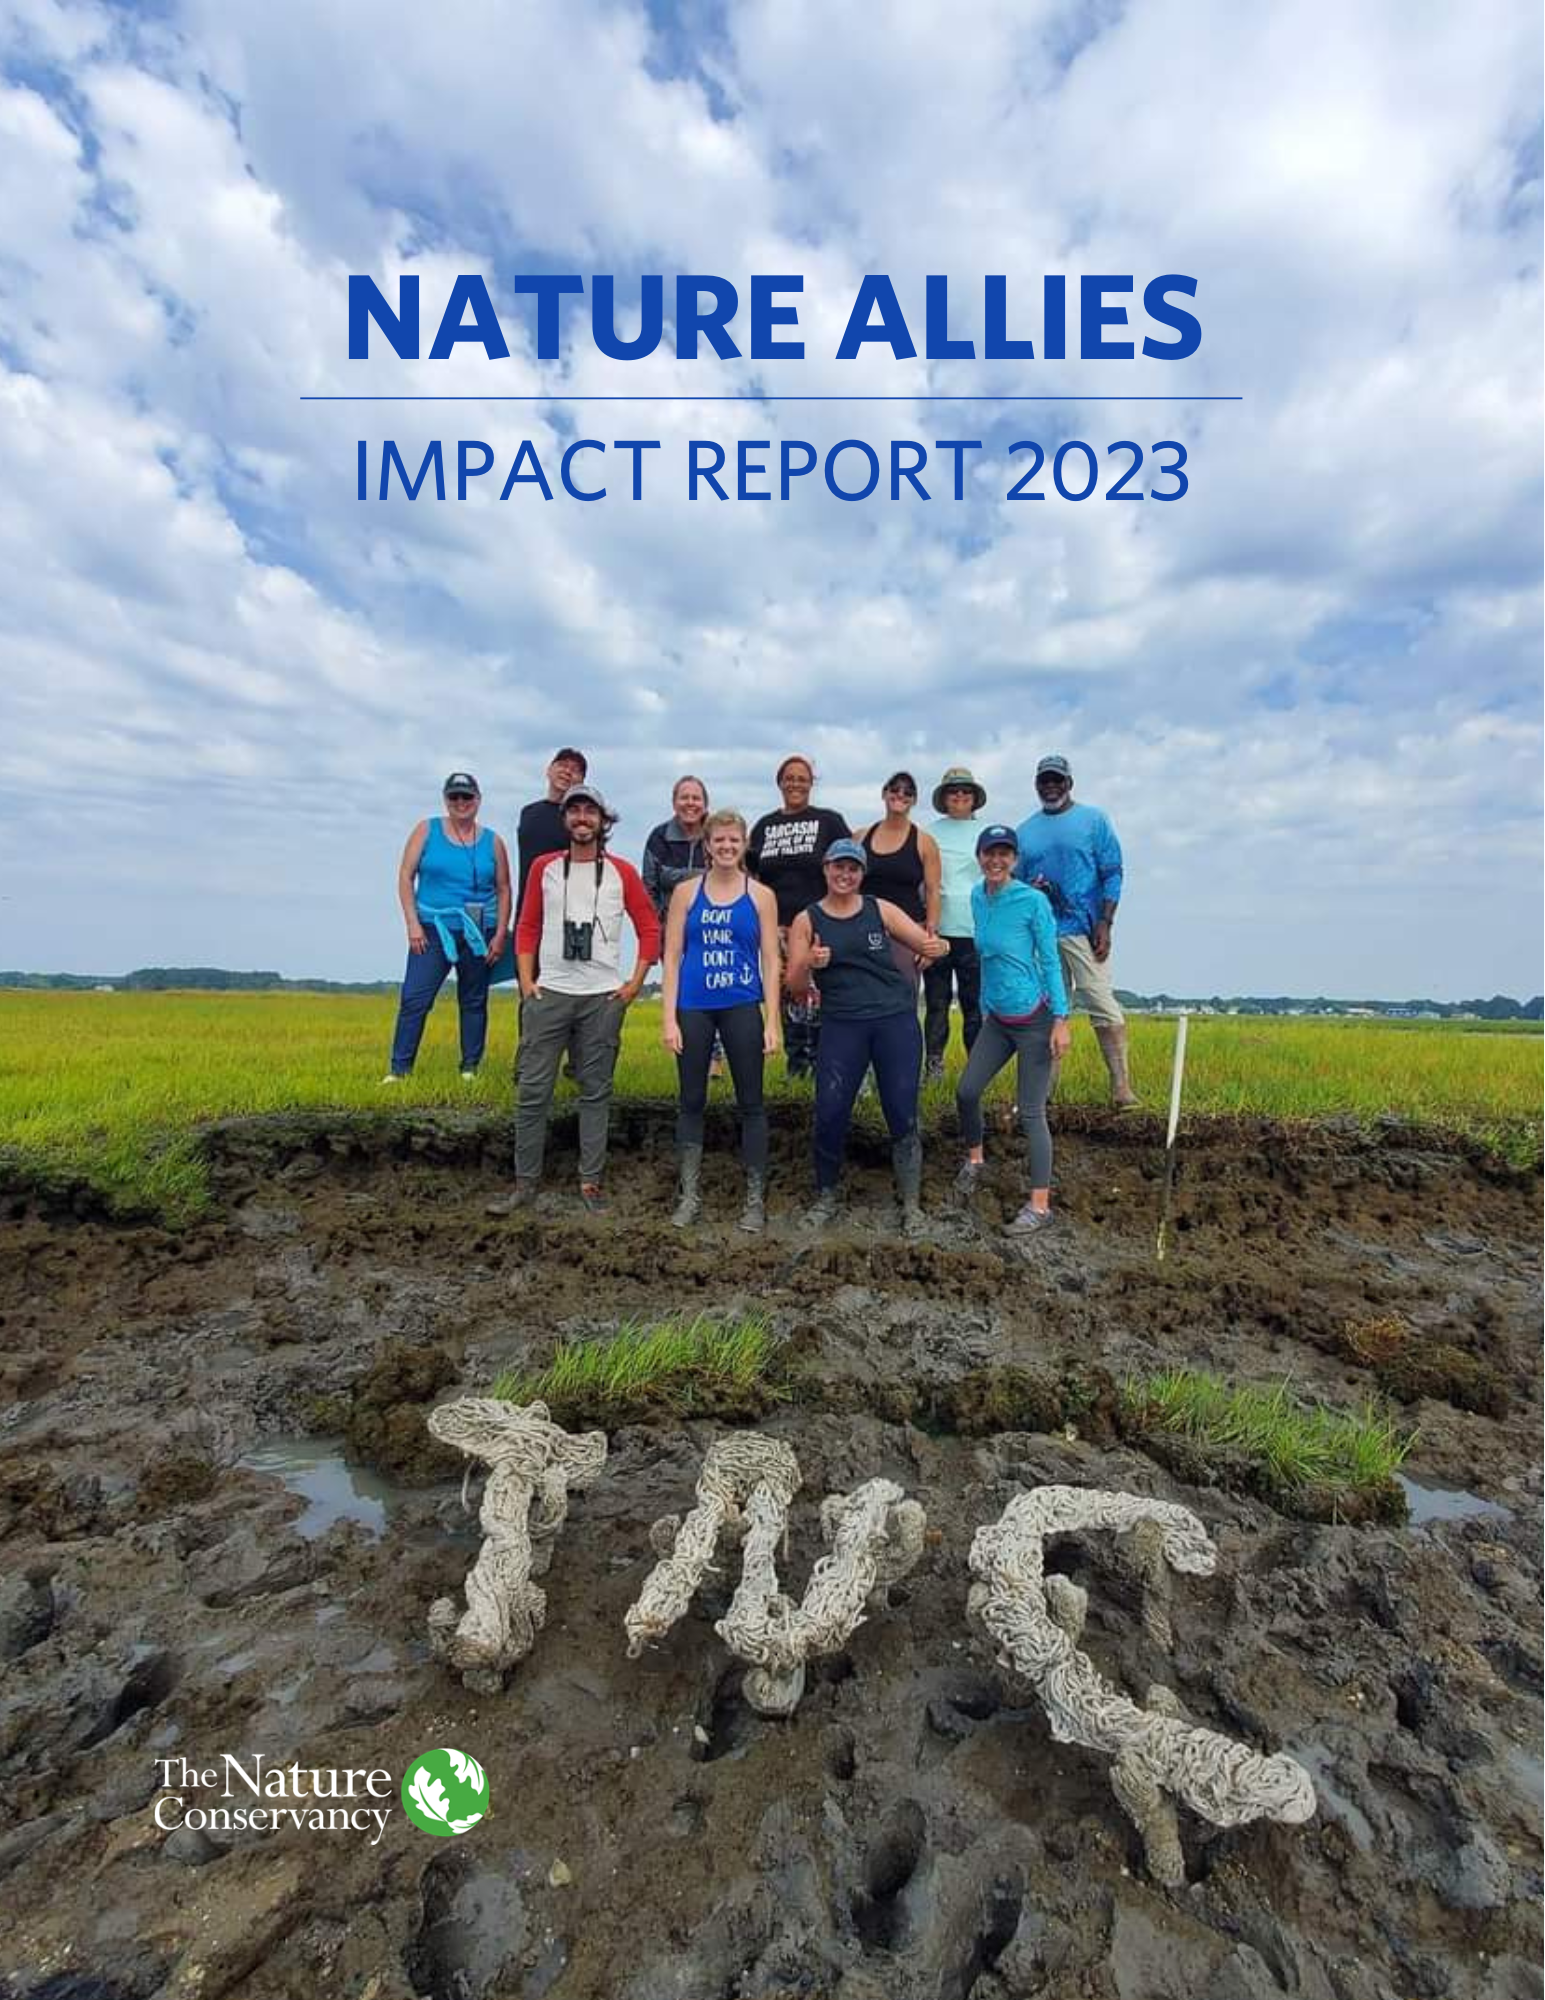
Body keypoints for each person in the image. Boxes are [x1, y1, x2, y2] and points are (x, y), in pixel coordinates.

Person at [784, 840, 948, 1235]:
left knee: (901, 1111)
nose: (845, 875)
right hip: (842, 1024)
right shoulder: (807, 920)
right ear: (825, 869)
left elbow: (926, 942)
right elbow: (793, 985)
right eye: (838, 867)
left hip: (895, 1020)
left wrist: (937, 946)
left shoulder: (880, 909)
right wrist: (809, 961)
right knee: (831, 1110)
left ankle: (911, 1206)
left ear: (861, 873)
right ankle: (825, 1196)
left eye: (853, 869)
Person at [510, 784, 660, 1212]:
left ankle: (590, 1184)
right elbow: (528, 927)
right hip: (551, 992)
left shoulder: (622, 872)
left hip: (602, 997)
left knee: (595, 1092)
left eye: (589, 811)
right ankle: (525, 1185)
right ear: (564, 820)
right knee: (532, 1091)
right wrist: (526, 984)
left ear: (602, 821)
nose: (581, 818)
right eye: (573, 810)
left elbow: (649, 928)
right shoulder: (545, 868)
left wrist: (633, 985)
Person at [661, 811, 781, 1232]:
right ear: (707, 845)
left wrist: (772, 1022)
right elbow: (672, 957)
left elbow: (771, 958)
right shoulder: (686, 893)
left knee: (752, 1103)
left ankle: (754, 1200)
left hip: (742, 1005)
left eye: (734, 840)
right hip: (694, 1007)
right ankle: (690, 1195)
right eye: (720, 841)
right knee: (691, 1100)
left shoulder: (761, 895)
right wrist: (668, 1019)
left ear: (744, 844)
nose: (727, 847)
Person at [953, 825, 1072, 1235]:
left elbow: (1051, 961)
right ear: (979, 856)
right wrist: (986, 1006)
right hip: (998, 1020)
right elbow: (985, 957)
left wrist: (1061, 1019)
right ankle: (976, 1160)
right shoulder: (976, 897)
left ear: (1015, 859)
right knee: (967, 1091)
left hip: (1036, 1021)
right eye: (990, 853)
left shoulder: (1033, 902)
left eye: (1005, 854)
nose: (996, 861)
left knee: (1031, 1113)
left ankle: (1039, 1207)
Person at [1014, 755, 1138, 1107]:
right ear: (1037, 784)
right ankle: (1043, 1094)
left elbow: (1113, 871)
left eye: (1057, 780)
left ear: (1069, 783)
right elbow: (1018, 887)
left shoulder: (1093, 820)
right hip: (1042, 934)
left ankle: (1121, 1087)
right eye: (1044, 781)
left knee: (1101, 1002)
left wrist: (1106, 921)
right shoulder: (1025, 832)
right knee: (1050, 1011)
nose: (1051, 786)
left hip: (1083, 930)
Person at [384, 773, 511, 1081]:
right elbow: (405, 876)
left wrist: (499, 934)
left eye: (467, 797)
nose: (461, 803)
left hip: (479, 930)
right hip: (432, 927)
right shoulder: (427, 829)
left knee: (473, 999)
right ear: (445, 800)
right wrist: (412, 923)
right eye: (454, 797)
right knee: (415, 998)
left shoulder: (493, 840)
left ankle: (470, 1067)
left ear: (478, 800)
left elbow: (505, 887)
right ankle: (399, 1071)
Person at [748, 757, 850, 1080]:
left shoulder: (828, 821)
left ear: (811, 783)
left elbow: (848, 865)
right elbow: (751, 875)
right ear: (779, 783)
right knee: (787, 998)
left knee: (818, 998)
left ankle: (826, 1065)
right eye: (789, 778)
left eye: (802, 778)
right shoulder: (764, 826)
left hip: (818, 923)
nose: (795, 783)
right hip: (776, 925)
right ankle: (797, 1068)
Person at [512, 747, 588, 1081]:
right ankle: (529, 1060)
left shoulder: (584, 820)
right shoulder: (529, 813)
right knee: (530, 990)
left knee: (575, 988)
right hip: (531, 914)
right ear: (548, 770)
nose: (567, 772)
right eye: (562, 766)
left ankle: (577, 1063)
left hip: (573, 915)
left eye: (576, 770)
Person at [644, 775, 723, 1080]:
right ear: (674, 802)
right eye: (684, 797)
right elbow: (649, 885)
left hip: (713, 928)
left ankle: (716, 1055)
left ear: (705, 803)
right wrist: (655, 931)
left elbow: (729, 874)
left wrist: (677, 877)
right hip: (672, 931)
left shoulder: (717, 834)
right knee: (682, 995)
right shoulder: (659, 836)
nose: (690, 803)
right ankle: (691, 1053)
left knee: (715, 988)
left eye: (696, 798)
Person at [923, 766, 988, 1080]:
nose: (960, 796)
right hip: (938, 928)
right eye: (953, 791)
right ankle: (933, 1065)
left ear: (974, 798)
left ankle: (975, 1069)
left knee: (972, 1004)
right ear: (944, 798)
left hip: (975, 931)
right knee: (937, 1002)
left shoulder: (988, 833)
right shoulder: (929, 832)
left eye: (965, 791)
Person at [853, 771, 941, 985]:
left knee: (903, 1000)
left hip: (907, 934)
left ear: (914, 800)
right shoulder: (860, 837)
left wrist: (929, 941)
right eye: (895, 789)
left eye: (908, 792)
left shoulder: (924, 842)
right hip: (864, 930)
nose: (901, 794)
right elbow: (847, 887)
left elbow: (933, 892)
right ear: (884, 793)